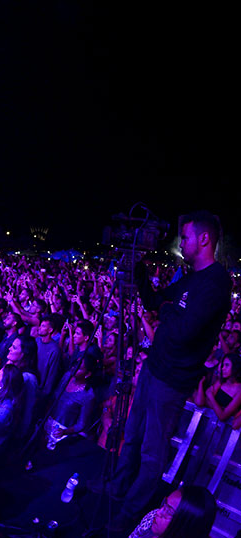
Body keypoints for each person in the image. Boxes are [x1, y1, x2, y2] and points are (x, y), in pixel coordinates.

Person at [102, 211, 232, 532]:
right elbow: (157, 301)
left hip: (172, 380)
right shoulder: (190, 277)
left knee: (151, 453)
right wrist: (140, 271)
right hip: (153, 368)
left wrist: (167, 310)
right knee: (131, 436)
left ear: (203, 239)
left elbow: (185, 330)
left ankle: (126, 515)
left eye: (185, 237)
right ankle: (116, 491)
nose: (181, 243)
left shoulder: (215, 282)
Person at [127, 485, 217, 538]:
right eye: (164, 504)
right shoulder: (152, 518)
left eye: (169, 511)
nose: (159, 512)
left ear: (185, 526)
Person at [194, 352, 241, 421]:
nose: (223, 368)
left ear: (235, 367)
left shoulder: (239, 390)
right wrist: (221, 409)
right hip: (207, 419)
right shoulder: (221, 381)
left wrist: (211, 396)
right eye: (223, 365)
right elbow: (205, 401)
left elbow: (222, 417)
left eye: (227, 365)